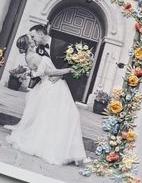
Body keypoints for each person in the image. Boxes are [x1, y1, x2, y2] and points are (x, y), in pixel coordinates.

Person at [6, 34, 87, 166]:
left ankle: (70, 151)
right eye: (31, 39)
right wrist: (69, 69)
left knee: (61, 116)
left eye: (33, 37)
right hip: (53, 87)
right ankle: (60, 150)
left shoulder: (30, 56)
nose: (34, 39)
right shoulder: (35, 57)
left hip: (52, 86)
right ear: (29, 44)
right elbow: (50, 72)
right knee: (68, 115)